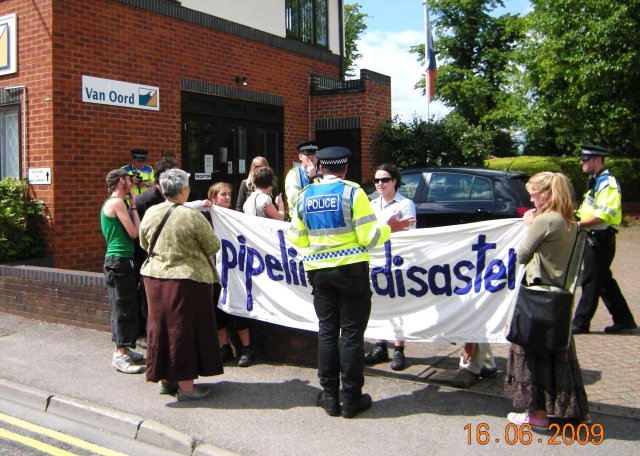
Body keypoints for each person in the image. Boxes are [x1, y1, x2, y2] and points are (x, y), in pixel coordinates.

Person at [289, 147, 415, 418]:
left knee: (327, 333)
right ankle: (350, 399)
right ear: (344, 169)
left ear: (320, 168)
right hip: (351, 273)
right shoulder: (353, 192)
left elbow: (297, 239)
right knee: (351, 336)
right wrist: (388, 228)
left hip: (319, 274)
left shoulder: (303, 196)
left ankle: (329, 397)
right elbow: (369, 237)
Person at [505, 171, 590, 429]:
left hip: (537, 297)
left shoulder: (545, 222)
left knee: (531, 355)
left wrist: (530, 225)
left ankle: (538, 415)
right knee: (560, 358)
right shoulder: (571, 222)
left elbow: (522, 255)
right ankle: (576, 413)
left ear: (547, 194)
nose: (531, 200)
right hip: (560, 298)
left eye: (534, 194)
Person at [139, 169, 223, 401]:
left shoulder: (151, 212)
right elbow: (212, 245)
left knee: (160, 328)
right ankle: (187, 388)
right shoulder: (191, 216)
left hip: (154, 278)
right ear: (184, 190)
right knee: (183, 331)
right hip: (187, 280)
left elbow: (144, 242)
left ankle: (166, 381)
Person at [571, 145, 637, 334]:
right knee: (603, 281)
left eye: (585, 159)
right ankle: (624, 320)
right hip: (594, 236)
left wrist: (580, 225)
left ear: (597, 160)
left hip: (600, 238)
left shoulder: (608, 183)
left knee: (591, 281)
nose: (581, 163)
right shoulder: (596, 181)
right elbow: (588, 210)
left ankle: (580, 323)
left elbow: (605, 214)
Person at [364, 163, 416, 371]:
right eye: (376, 180)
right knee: (377, 303)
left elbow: (410, 233)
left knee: (397, 305)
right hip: (375, 261)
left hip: (396, 259)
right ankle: (379, 346)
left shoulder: (405, 204)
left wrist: (388, 230)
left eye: (384, 179)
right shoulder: (371, 204)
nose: (379, 184)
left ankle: (399, 349)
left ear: (394, 181)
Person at [100, 169, 145, 374]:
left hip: (122, 260)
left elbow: (138, 231)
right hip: (118, 261)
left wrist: (134, 205)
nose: (131, 181)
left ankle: (125, 349)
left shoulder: (121, 203)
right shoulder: (116, 203)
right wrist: (131, 207)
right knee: (121, 306)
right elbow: (135, 233)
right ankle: (119, 354)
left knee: (126, 304)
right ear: (120, 181)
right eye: (128, 179)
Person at [207, 182, 255, 367]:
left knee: (237, 310)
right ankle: (225, 347)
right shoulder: (206, 216)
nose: (227, 197)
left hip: (235, 272)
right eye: (223, 194)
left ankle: (247, 348)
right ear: (213, 198)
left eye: (229, 194)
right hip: (214, 272)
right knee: (218, 312)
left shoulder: (237, 216)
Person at [285, 141, 321, 218]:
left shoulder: (323, 174)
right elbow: (295, 199)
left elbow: (325, 197)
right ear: (300, 157)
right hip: (299, 220)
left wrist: (314, 177)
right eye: (307, 154)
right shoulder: (294, 173)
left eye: (314, 154)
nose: (311, 157)